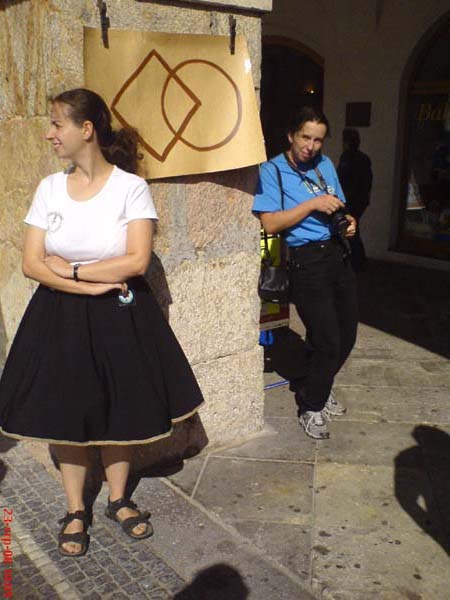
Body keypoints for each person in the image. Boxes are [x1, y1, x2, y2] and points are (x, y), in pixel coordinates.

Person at [0, 88, 204, 557]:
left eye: (57, 124)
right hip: (60, 314)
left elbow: (135, 260)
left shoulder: (130, 187)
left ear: (85, 130)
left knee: (121, 406)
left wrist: (70, 270)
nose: (49, 133)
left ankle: (117, 499)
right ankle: (75, 508)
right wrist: (87, 286)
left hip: (120, 311)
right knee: (66, 412)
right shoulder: (50, 188)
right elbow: (32, 264)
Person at [253, 106, 358, 440]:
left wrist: (350, 222)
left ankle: (318, 385)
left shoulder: (325, 165)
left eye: (318, 140)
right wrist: (312, 205)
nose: (311, 146)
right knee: (327, 338)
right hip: (304, 261)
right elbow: (269, 222)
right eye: (305, 137)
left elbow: (338, 204)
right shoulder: (273, 170)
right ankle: (311, 405)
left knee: (347, 334)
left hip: (337, 256)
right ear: (291, 135)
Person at [337, 128, 372, 271]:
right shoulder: (364, 158)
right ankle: (358, 259)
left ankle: (357, 260)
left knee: (351, 230)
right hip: (361, 200)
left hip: (351, 200)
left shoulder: (347, 157)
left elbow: (342, 179)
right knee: (353, 229)